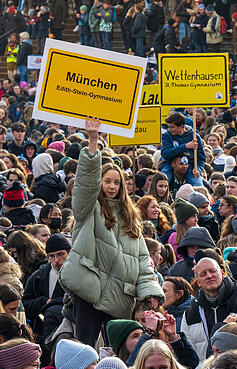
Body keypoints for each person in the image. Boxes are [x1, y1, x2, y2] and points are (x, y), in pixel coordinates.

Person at [60, 117, 164, 347]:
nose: (112, 186)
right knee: (85, 350)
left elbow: (142, 260)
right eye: (107, 181)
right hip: (89, 292)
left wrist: (150, 292)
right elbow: (85, 184)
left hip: (119, 297)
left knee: (117, 352)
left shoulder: (131, 218)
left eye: (117, 182)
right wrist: (93, 140)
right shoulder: (88, 209)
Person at [181, 257, 237, 359]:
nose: (209, 276)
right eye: (203, 274)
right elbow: (190, 355)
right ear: (198, 282)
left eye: (212, 271)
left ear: (223, 273)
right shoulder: (190, 313)